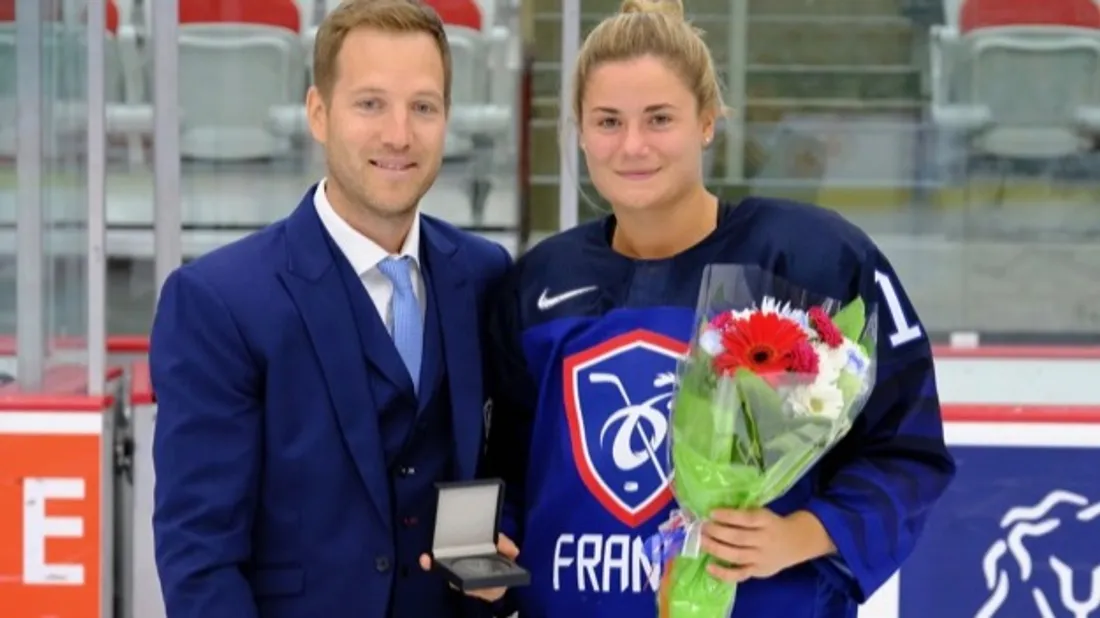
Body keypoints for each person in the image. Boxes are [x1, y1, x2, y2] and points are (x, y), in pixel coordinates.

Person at [479, 0, 956, 616]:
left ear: (707, 121)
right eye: (607, 121)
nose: (632, 146)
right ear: (578, 129)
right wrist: (494, 554)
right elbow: (507, 469)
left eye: (659, 119)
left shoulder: (811, 257)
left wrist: (802, 535)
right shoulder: (538, 282)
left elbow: (906, 452)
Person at [149, 2, 514, 617]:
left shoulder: (484, 274)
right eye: (370, 104)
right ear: (318, 114)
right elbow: (200, 558)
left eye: (422, 106)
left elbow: (508, 469)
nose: (399, 134)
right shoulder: (218, 301)